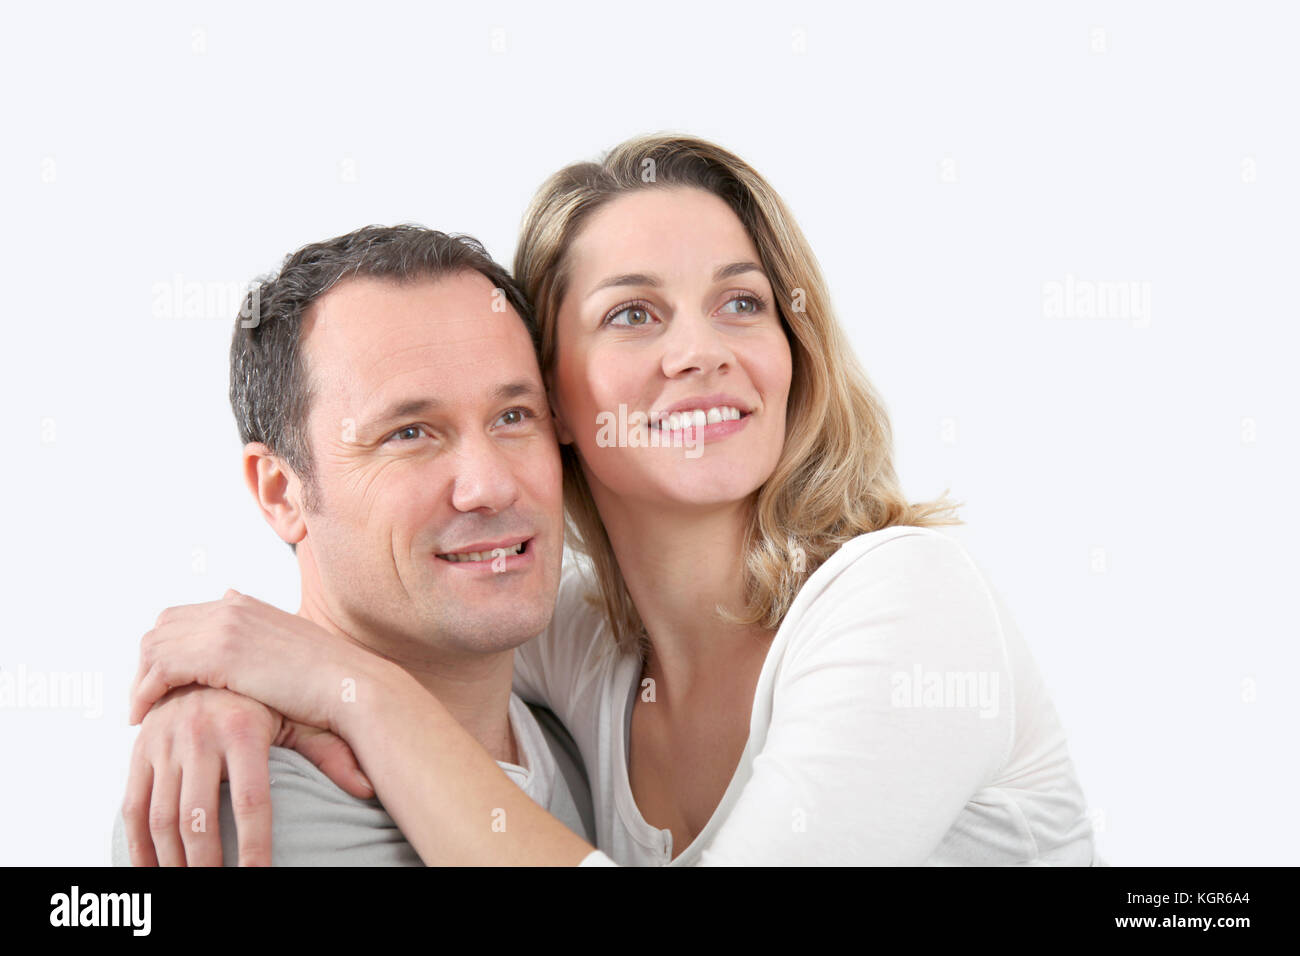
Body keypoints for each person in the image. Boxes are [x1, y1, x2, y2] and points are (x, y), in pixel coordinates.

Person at [123, 133, 1098, 865]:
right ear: (560, 397)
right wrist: (223, 692)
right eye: (632, 313)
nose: (700, 350)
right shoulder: (572, 632)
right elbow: (401, 592)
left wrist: (347, 690)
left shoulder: (903, 601)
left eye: (743, 301)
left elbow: (374, 653)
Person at [114, 225, 595, 865]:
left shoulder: (579, 721)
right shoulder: (250, 810)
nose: (489, 486)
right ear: (281, 492)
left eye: (513, 416)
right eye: (409, 433)